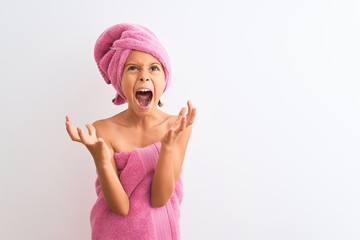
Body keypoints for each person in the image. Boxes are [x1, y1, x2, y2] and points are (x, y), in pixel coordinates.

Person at [65, 23, 196, 240]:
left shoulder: (178, 126)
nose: (144, 75)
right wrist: (101, 160)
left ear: (164, 78)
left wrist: (169, 146)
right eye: (132, 68)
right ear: (119, 80)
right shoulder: (102, 129)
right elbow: (120, 207)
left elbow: (159, 199)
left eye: (154, 68)